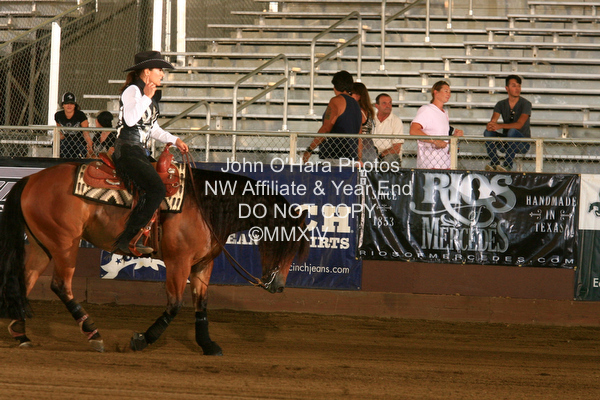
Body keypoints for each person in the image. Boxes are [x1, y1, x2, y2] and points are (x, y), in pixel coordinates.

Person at [113, 50, 189, 255]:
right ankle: (128, 238)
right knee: (156, 189)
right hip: (127, 149)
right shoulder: (132, 91)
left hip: (139, 151)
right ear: (146, 71)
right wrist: (146, 97)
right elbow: (130, 121)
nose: (162, 74)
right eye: (159, 69)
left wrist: (175, 140)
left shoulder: (149, 95)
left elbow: (152, 129)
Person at [302, 70, 361, 165]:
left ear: (335, 86)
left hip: (336, 154)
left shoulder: (336, 101)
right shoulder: (356, 104)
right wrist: (359, 158)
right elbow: (359, 134)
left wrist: (310, 149)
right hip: (351, 155)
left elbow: (326, 128)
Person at [409, 80, 464, 170]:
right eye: (446, 91)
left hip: (445, 162)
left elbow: (443, 140)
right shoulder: (427, 109)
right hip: (429, 163)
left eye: (449, 92)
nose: (449, 94)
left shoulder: (444, 113)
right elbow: (413, 130)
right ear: (436, 92)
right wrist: (435, 141)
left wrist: (454, 137)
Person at [483, 75, 532, 172]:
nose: (517, 88)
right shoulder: (500, 104)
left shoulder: (526, 104)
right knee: (487, 132)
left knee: (512, 131)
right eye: (514, 86)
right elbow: (493, 121)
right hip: (506, 142)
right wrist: (490, 125)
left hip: (523, 143)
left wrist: (499, 126)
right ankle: (495, 163)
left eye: (519, 86)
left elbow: (519, 124)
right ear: (507, 88)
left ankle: (507, 165)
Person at [54, 92, 93, 158]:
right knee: (60, 145)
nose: (69, 106)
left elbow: (86, 133)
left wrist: (90, 147)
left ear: (75, 105)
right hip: (65, 142)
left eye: (71, 103)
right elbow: (59, 131)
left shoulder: (80, 115)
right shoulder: (58, 115)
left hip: (78, 142)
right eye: (67, 103)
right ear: (63, 105)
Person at [373, 93, 404, 165]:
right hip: (371, 152)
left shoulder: (396, 121)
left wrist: (380, 155)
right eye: (384, 103)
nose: (388, 106)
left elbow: (396, 148)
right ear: (377, 106)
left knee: (390, 159)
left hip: (388, 155)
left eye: (390, 103)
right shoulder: (371, 118)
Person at [351, 82, 378, 163]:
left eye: (351, 93)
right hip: (369, 147)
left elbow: (359, 132)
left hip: (360, 148)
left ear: (358, 96)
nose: (348, 95)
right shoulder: (368, 110)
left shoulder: (358, 111)